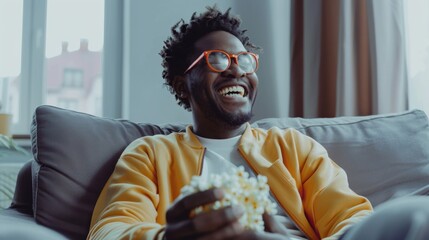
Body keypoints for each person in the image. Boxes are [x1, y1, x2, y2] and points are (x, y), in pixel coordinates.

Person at [87, 6, 429, 240]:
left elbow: (350, 220)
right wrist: (167, 236)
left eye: (245, 60)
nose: (236, 69)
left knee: (415, 214)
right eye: (217, 59)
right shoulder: (149, 154)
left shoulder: (295, 147)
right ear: (182, 84)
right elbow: (111, 229)